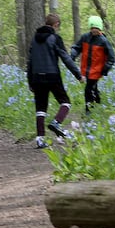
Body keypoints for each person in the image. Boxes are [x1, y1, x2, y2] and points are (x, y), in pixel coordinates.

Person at [27, 13, 85, 149]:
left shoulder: (34, 39)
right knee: (65, 102)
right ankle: (56, 123)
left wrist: (30, 80)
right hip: (52, 75)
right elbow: (66, 58)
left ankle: (40, 139)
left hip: (36, 77)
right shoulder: (55, 38)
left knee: (40, 108)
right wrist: (78, 75)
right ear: (56, 25)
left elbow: (30, 62)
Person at [70, 15, 115, 114]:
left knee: (88, 89)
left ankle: (88, 110)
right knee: (93, 88)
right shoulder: (85, 37)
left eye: (97, 28)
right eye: (92, 28)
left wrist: (106, 68)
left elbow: (111, 57)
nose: (94, 30)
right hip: (86, 69)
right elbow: (77, 47)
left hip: (97, 70)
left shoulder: (104, 41)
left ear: (100, 29)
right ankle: (98, 101)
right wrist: (73, 55)